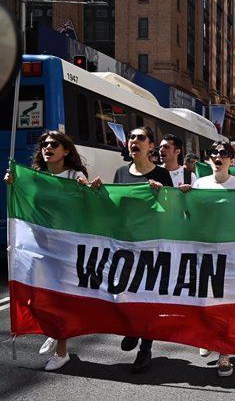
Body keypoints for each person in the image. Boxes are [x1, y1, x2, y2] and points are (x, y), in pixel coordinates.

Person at [5, 131, 96, 371]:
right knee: (34, 296)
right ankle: (54, 330)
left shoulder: (74, 176)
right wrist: (15, 184)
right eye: (44, 144)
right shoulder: (36, 177)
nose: (47, 147)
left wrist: (88, 189)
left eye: (54, 144)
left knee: (60, 299)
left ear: (65, 150)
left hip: (66, 248)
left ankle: (62, 352)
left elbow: (88, 203)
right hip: (38, 246)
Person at [192, 141, 235, 376]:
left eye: (224, 154)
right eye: (214, 153)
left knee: (226, 304)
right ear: (209, 159)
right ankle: (208, 338)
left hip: (231, 254)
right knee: (207, 302)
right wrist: (185, 197)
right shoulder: (199, 184)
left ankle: (224, 354)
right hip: (205, 251)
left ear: (231, 160)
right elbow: (191, 215)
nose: (218, 156)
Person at [113, 126, 173, 373]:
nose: (134, 141)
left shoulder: (162, 174)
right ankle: (132, 329)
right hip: (126, 245)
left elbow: (172, 211)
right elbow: (114, 205)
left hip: (152, 246)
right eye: (131, 137)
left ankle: (145, 349)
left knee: (148, 297)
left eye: (140, 138)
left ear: (150, 146)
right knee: (124, 294)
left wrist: (162, 195)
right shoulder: (120, 173)